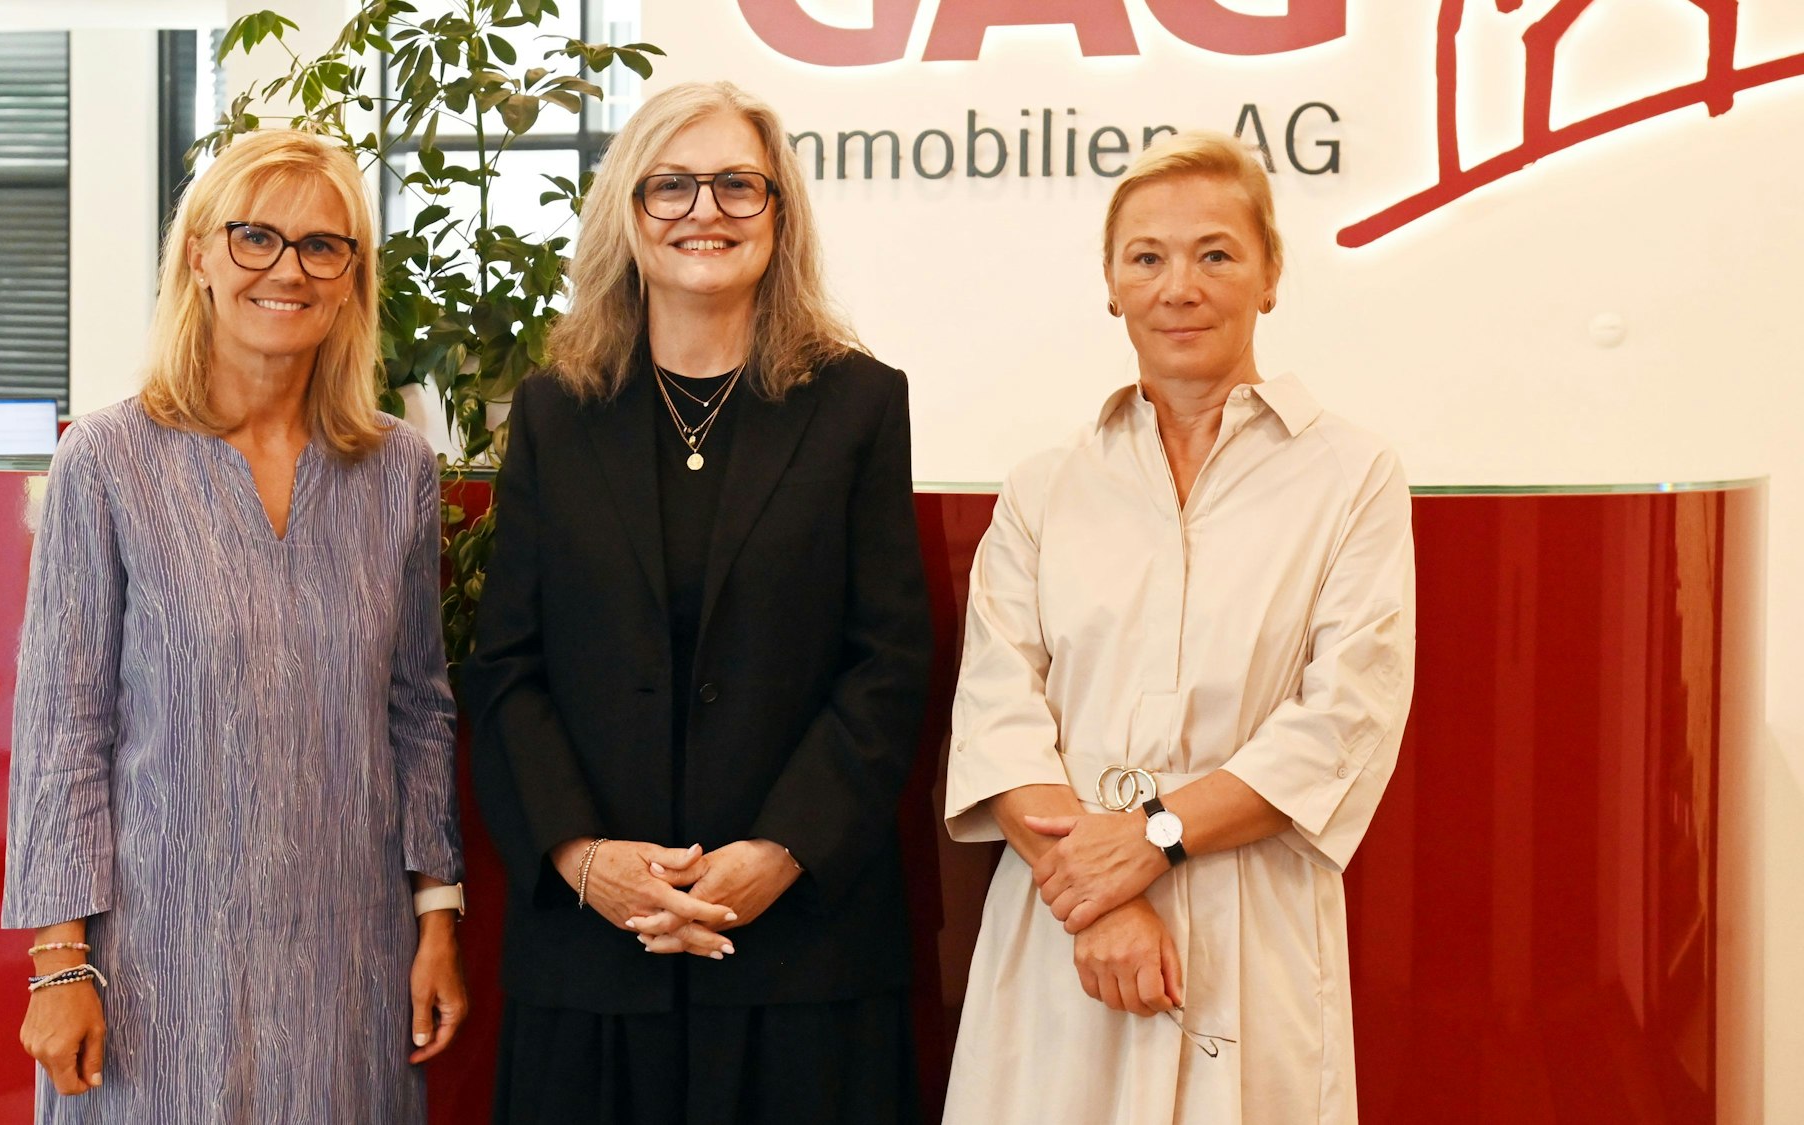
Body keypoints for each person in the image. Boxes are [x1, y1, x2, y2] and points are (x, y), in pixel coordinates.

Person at [462, 80, 932, 1125]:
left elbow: (887, 662)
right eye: (668, 186)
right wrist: (583, 861)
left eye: (734, 186)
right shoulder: (552, 410)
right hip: (594, 953)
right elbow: (507, 666)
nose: (701, 211)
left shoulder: (857, 403)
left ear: (779, 213)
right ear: (626, 214)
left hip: (800, 950)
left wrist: (780, 853)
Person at [941, 132, 1417, 1124]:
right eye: (1145, 258)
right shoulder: (1044, 488)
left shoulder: (1351, 476)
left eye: (1214, 253)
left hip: (1246, 914)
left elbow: (1343, 716)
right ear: (1110, 286)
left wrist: (1153, 839)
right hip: (1064, 916)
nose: (1178, 287)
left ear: (1269, 274)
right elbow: (997, 710)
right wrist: (1105, 893)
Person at [1, 129, 467, 1124]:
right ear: (200, 256)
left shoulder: (395, 471)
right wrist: (56, 962)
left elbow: (418, 709)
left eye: (320, 246)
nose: (286, 270)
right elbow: (61, 729)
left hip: (348, 955)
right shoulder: (109, 460)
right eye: (254, 237)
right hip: (153, 958)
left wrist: (436, 916)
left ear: (349, 279)